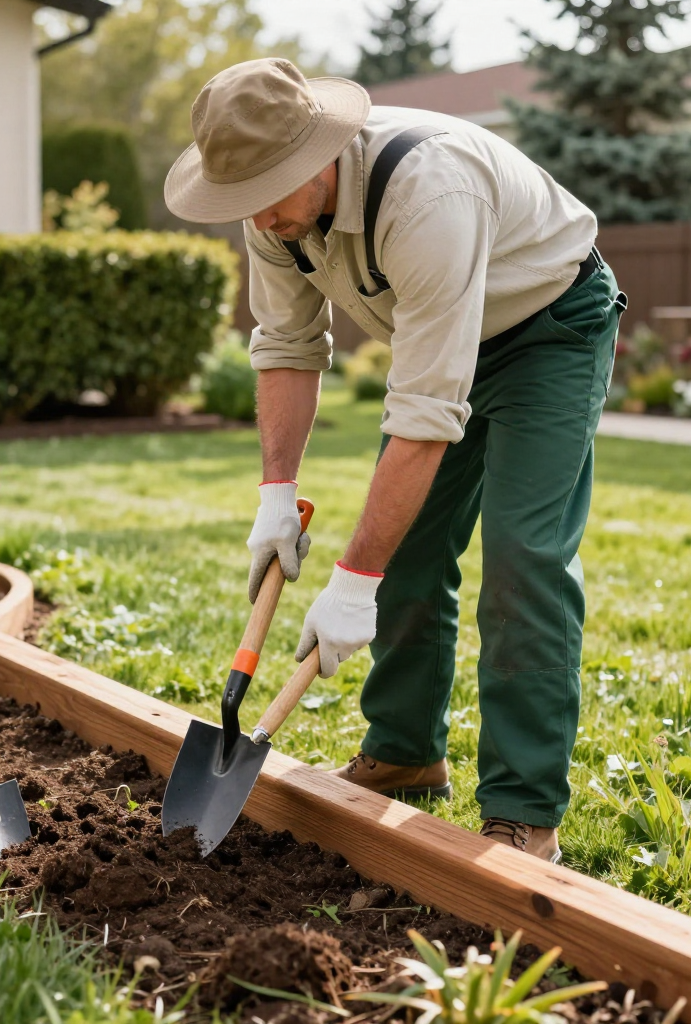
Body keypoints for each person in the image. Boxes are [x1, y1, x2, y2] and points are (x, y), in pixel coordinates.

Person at [164, 58, 626, 863]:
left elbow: (423, 417)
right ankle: (407, 753)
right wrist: (277, 496)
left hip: (549, 326)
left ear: (317, 154)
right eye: (244, 198)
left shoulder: (427, 194)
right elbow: (286, 347)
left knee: (523, 555)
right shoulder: (269, 210)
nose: (261, 215)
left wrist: (352, 586)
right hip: (442, 339)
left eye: (271, 189)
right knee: (410, 549)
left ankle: (524, 809)